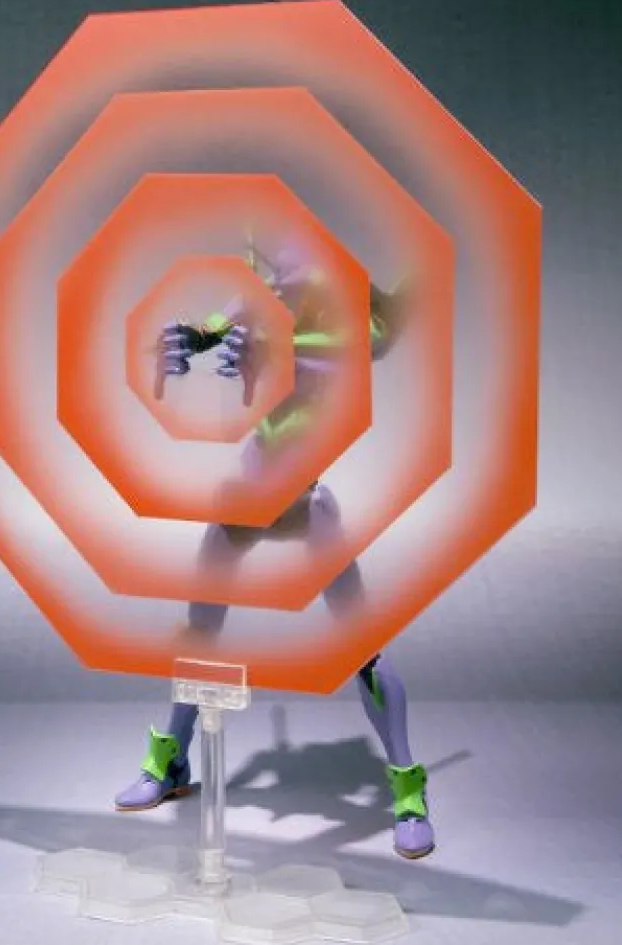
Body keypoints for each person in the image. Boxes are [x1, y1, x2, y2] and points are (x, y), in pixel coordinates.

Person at [115, 245, 435, 860]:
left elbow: (344, 348)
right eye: (274, 275)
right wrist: (183, 342)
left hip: (307, 503)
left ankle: (407, 789)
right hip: (249, 498)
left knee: (363, 649)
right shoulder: (259, 302)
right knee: (199, 635)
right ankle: (170, 761)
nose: (277, 285)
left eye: (292, 276)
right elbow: (209, 329)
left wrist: (273, 348)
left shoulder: (346, 328)